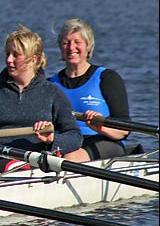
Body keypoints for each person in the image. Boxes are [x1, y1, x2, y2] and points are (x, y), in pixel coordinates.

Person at [0, 25, 82, 176]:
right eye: (8, 54)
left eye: (16, 55)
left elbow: (75, 136)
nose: (9, 60)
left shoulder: (52, 92)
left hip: (29, 156)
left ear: (33, 60)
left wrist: (52, 139)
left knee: (4, 168)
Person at [49, 18, 130, 162]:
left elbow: (124, 130)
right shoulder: (50, 84)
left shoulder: (107, 78)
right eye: (66, 42)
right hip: (65, 143)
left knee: (70, 157)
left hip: (104, 140)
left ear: (88, 46)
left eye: (77, 42)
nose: (71, 47)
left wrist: (101, 128)